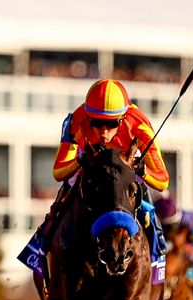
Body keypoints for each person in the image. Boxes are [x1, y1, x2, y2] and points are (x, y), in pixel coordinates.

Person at [41, 79, 171, 248]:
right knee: (64, 198)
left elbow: (163, 181)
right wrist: (79, 162)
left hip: (125, 167)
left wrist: (142, 170)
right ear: (89, 117)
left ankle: (157, 254)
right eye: (97, 122)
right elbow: (58, 172)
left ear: (123, 118)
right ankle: (41, 245)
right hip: (89, 160)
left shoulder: (140, 126)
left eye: (111, 123)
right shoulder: (78, 121)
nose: (104, 131)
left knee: (147, 214)